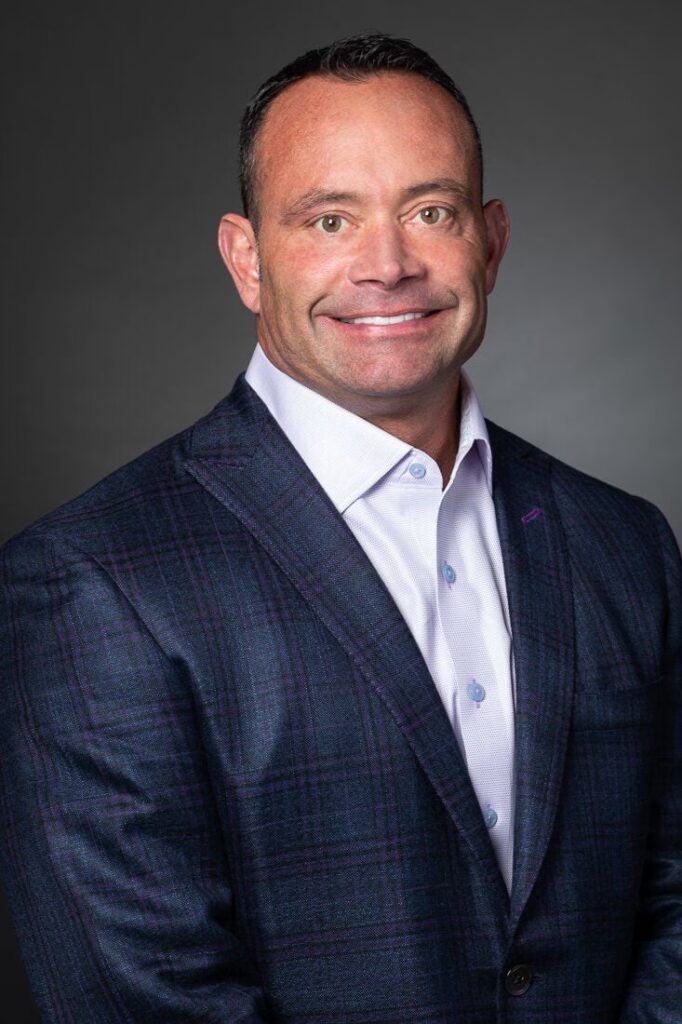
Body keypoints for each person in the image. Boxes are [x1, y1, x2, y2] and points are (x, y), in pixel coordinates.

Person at [0, 31, 680, 1024]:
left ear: (490, 241)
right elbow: (142, 996)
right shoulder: (93, 578)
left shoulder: (625, 544)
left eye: (431, 211)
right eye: (329, 219)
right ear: (246, 259)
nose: (388, 265)